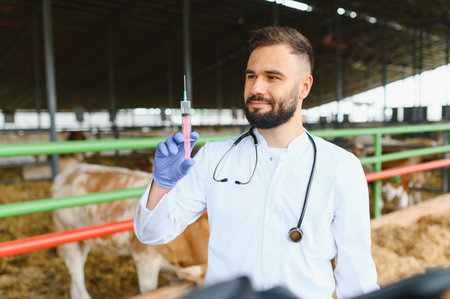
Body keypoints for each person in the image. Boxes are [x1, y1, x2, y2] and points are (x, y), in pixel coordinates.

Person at [134, 26, 379, 298]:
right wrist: (161, 184)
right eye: (251, 76)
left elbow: (357, 275)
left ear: (304, 87)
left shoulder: (340, 167)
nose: (256, 88)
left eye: (272, 77)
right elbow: (152, 233)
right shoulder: (214, 157)